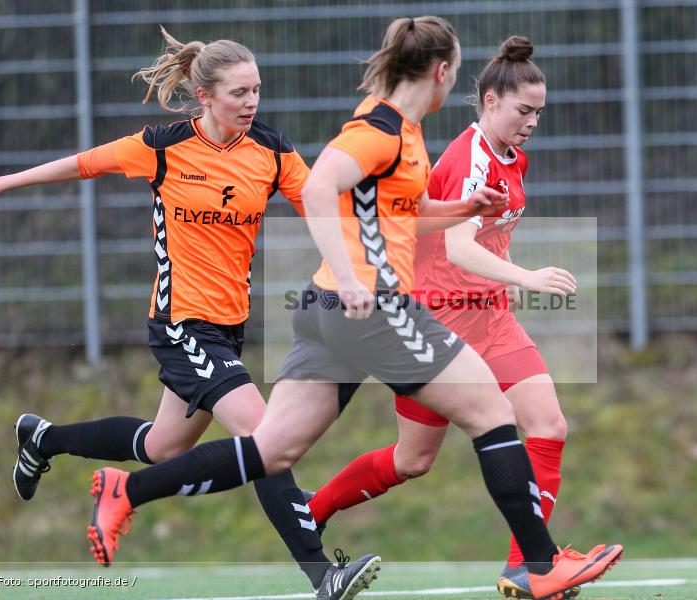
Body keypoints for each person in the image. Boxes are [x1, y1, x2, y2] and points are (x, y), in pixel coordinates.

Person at [83, 16, 622, 600]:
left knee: (272, 449)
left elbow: (399, 216)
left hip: (326, 310)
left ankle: (126, 492)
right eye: (456, 73)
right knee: (492, 413)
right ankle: (540, 568)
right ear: (441, 72)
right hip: (367, 307)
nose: (453, 84)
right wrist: (349, 275)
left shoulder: (406, 133)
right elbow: (320, 189)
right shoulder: (381, 129)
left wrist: (465, 208)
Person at [0, 27, 379, 600]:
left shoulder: (270, 151)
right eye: (239, 93)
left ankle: (43, 439)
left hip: (228, 325)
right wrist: (3, 182)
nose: (251, 103)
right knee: (265, 435)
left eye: (257, 91)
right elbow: (84, 164)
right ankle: (323, 574)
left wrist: (383, 241)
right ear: (205, 98)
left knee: (164, 446)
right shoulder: (163, 146)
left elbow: (323, 207)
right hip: (180, 322)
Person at [301, 35, 604, 599]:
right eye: (523, 110)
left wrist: (503, 280)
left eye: (539, 112)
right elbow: (461, 248)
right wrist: (528, 278)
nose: (532, 121)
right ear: (490, 101)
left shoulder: (513, 155)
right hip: (440, 322)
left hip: (490, 319)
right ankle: (309, 513)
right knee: (412, 460)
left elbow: (491, 234)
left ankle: (527, 568)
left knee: (549, 426)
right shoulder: (470, 157)